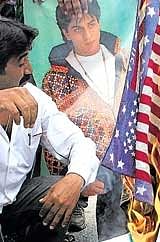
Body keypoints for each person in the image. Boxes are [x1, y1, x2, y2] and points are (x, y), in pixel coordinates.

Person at [0, 17, 100, 242]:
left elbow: (78, 142)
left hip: (14, 203)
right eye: (22, 61)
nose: (29, 68)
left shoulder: (33, 97)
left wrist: (75, 178)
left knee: (58, 188)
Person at [42, 0, 128, 240]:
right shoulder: (55, 78)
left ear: (100, 22)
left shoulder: (125, 58)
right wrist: (77, 176)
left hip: (126, 154)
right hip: (89, 162)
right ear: (65, 33)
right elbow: (51, 139)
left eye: (92, 24)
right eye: (78, 29)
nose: (89, 35)